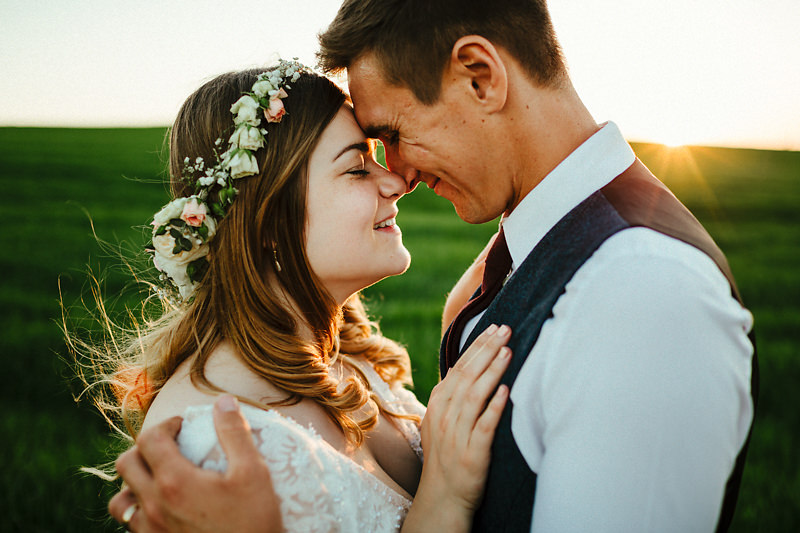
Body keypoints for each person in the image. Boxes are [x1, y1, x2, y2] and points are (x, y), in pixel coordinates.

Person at [112, 0, 758, 530]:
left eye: (389, 136)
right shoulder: (512, 265)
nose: (398, 177)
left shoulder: (644, 294)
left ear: (481, 75)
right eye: (363, 158)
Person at [94, 62, 512, 532]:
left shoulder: (345, 358)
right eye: (356, 167)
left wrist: (462, 332)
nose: (396, 181)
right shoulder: (219, 445)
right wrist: (445, 497)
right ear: (271, 222)